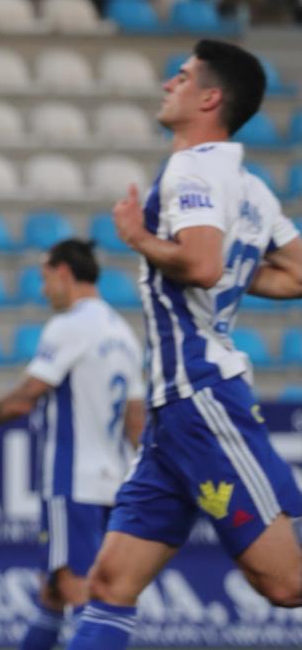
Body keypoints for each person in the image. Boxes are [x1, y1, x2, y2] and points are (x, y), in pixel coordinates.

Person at [64, 40, 302, 649]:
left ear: (210, 97)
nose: (170, 81)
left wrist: (137, 236)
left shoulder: (193, 170)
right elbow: (296, 272)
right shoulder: (252, 188)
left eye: (184, 75)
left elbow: (198, 265)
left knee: (285, 584)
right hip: (174, 414)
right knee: (111, 582)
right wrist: (227, 266)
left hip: (201, 396)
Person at [0, 239, 146, 650]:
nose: (44, 289)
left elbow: (22, 399)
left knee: (77, 589)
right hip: (111, 484)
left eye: (45, 278)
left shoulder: (71, 325)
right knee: (52, 593)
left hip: (72, 483)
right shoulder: (123, 333)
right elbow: (136, 422)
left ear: (64, 272)